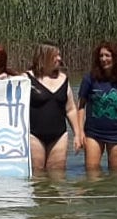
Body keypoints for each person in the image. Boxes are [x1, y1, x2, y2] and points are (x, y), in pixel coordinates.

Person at [77, 42, 117, 172]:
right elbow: (80, 106)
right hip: (93, 133)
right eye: (101, 56)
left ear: (115, 58)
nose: (103, 59)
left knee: (116, 172)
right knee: (91, 171)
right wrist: (80, 132)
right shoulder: (89, 79)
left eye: (107, 55)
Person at [26, 42, 80, 173]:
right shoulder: (26, 78)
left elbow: (71, 109)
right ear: (44, 56)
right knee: (37, 173)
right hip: (33, 135)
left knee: (58, 173)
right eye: (55, 56)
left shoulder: (63, 79)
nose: (59, 59)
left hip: (59, 135)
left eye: (59, 55)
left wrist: (78, 134)